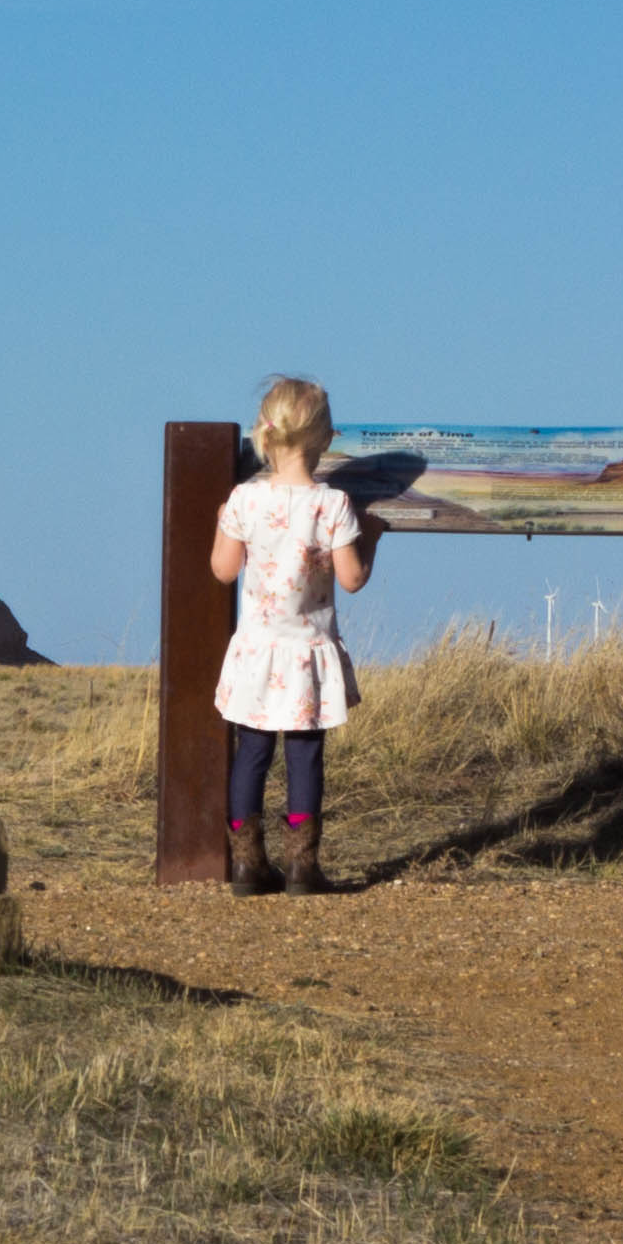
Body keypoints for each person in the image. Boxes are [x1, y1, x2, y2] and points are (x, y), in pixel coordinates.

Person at [207, 373, 374, 894]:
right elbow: (351, 580)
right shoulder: (334, 506)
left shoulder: (243, 501)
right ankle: (303, 867)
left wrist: (222, 523)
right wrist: (372, 541)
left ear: (265, 433)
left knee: (250, 751)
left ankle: (245, 865)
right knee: (305, 754)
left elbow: (222, 570)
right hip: (306, 654)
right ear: (324, 440)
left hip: (257, 652)